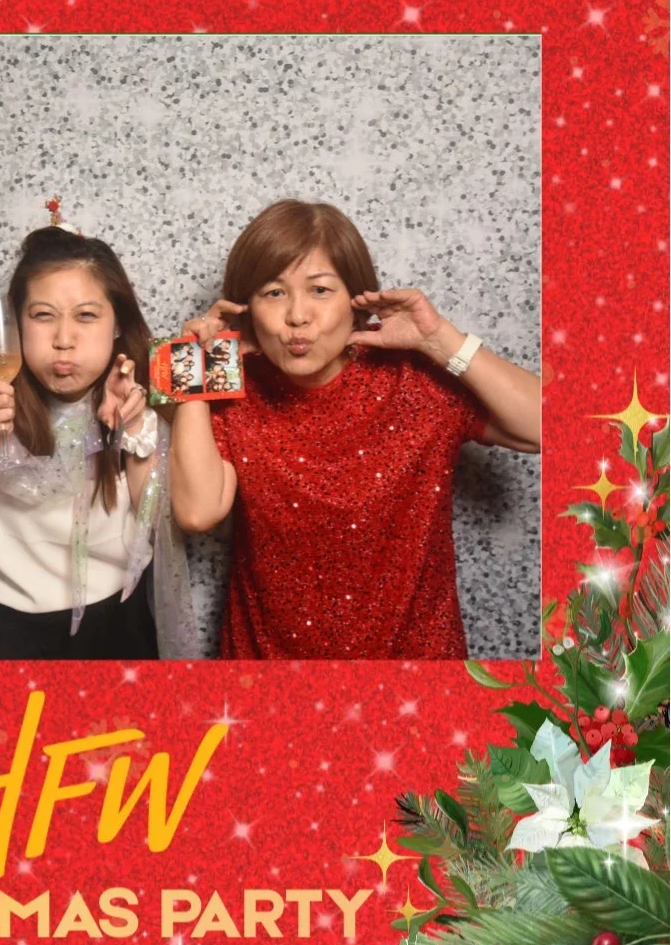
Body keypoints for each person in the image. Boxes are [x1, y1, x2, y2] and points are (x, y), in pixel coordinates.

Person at [169, 200, 540, 659]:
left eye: (320, 290)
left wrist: (440, 340)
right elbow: (197, 512)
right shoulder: (232, 391)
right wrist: (191, 369)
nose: (297, 316)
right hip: (267, 673)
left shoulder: (415, 381)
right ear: (246, 309)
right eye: (273, 292)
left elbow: (547, 427)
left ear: (355, 299)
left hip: (415, 673)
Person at [0, 223, 199, 659]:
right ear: (14, 321)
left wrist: (136, 425)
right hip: (2, 621)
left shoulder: (138, 381)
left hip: (115, 617)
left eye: (86, 316)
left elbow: (163, 529)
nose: (63, 341)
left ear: (118, 322)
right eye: (43, 316)